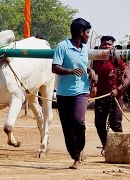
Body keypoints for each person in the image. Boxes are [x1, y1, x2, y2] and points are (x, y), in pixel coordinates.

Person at [52, 18, 97, 169]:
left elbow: (84, 66)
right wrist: (70, 71)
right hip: (64, 93)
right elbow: (55, 68)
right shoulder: (62, 46)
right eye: (87, 32)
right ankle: (76, 156)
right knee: (67, 127)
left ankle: (80, 148)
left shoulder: (84, 49)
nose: (88, 35)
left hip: (82, 92)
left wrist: (91, 71)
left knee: (78, 121)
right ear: (80, 32)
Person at [91, 36, 130, 150]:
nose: (107, 46)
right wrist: (93, 79)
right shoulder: (96, 58)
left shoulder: (117, 58)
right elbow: (94, 72)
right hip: (101, 96)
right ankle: (107, 147)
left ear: (113, 46)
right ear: (101, 45)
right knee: (99, 124)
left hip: (115, 97)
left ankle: (122, 148)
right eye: (105, 44)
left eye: (109, 44)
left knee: (115, 124)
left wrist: (117, 89)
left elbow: (128, 78)